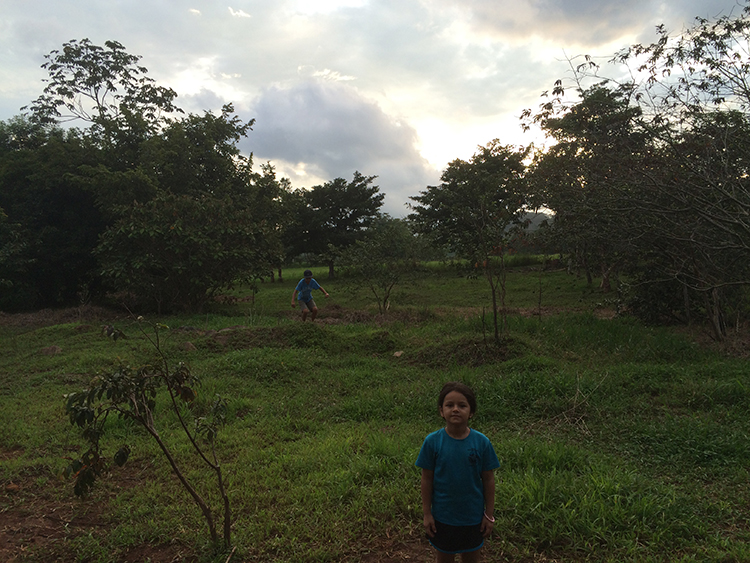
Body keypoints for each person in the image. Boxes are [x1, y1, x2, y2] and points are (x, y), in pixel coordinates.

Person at [416, 382, 500, 563]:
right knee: (444, 558)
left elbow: (488, 480)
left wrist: (489, 514)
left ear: (471, 412)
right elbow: (426, 479)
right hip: (443, 517)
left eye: (462, 405)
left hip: (473, 518)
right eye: (449, 405)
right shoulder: (432, 442)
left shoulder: (482, 443)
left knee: (471, 558)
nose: (455, 409)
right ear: (441, 411)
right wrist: (427, 513)